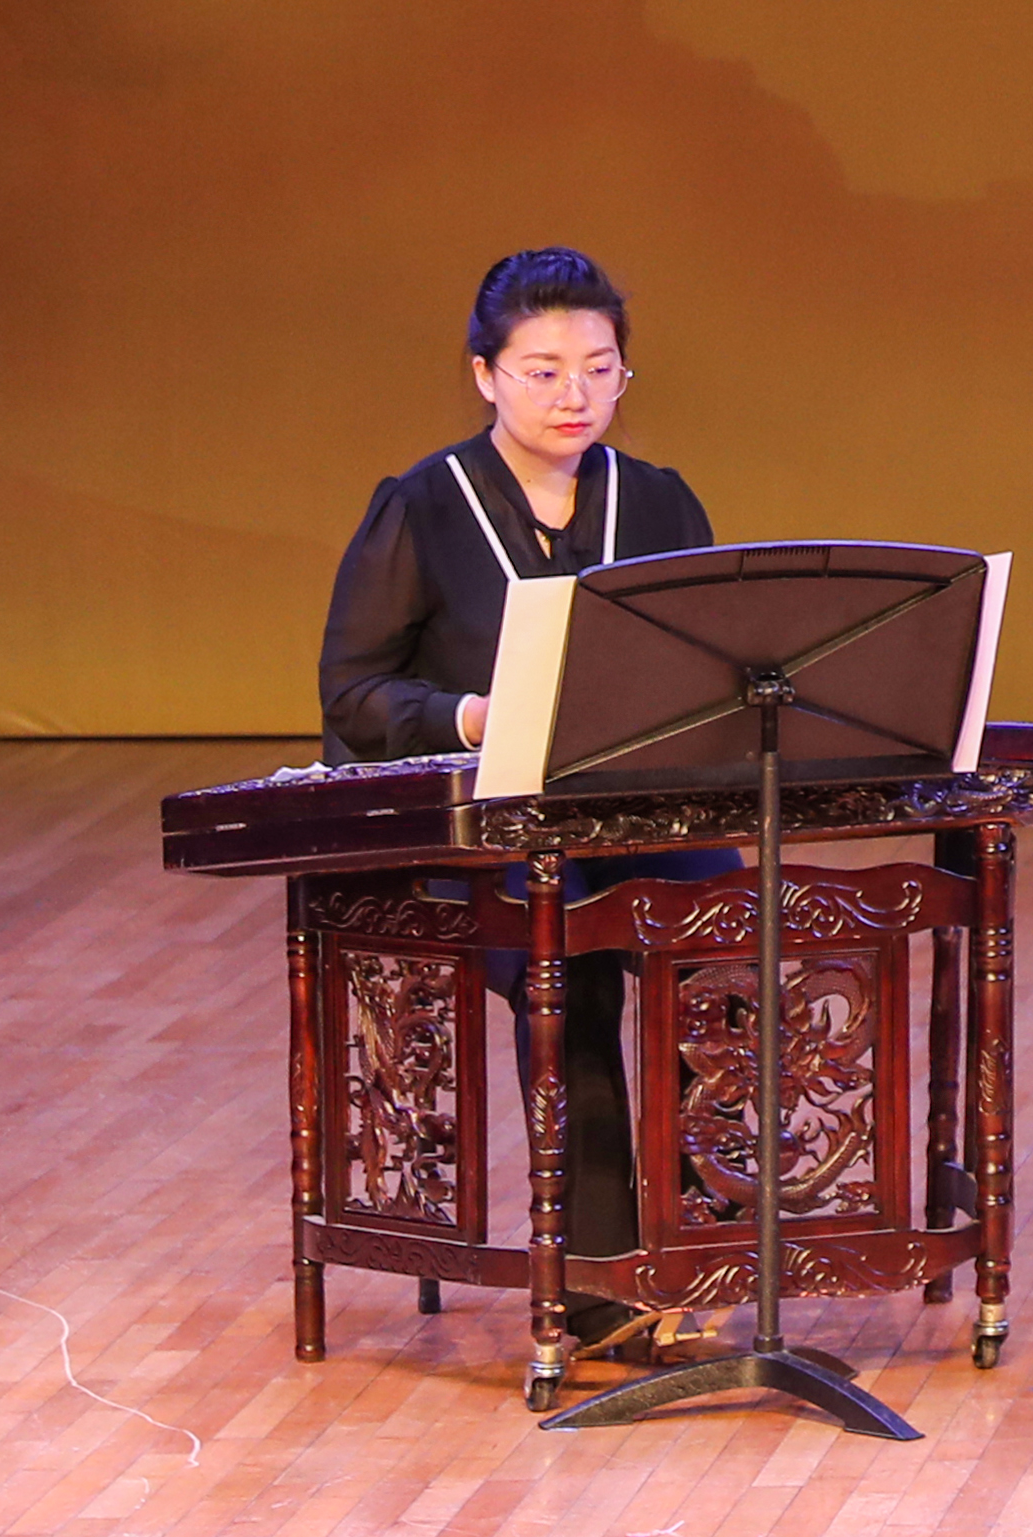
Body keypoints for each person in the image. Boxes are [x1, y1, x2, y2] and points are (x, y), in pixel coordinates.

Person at [317, 246, 724, 1361]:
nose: (574, 394)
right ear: (486, 375)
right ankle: (597, 1289)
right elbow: (353, 693)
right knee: (571, 970)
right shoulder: (422, 505)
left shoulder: (656, 498)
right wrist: (469, 715)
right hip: (487, 823)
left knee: (732, 941)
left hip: (635, 808)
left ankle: (708, 1247)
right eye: (543, 371)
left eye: (599, 367)